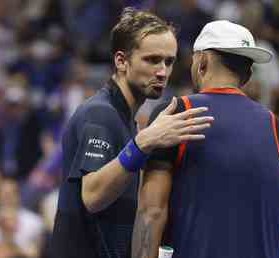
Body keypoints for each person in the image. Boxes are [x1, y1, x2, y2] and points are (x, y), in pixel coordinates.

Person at [51, 8, 214, 258]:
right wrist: (143, 143)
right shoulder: (101, 114)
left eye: (169, 61)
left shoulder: (124, 119)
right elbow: (92, 196)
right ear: (121, 61)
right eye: (152, 60)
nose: (163, 72)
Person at [132, 20, 279, 258]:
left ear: (202, 62)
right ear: (247, 75)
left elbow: (151, 211)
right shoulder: (276, 128)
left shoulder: (177, 113)